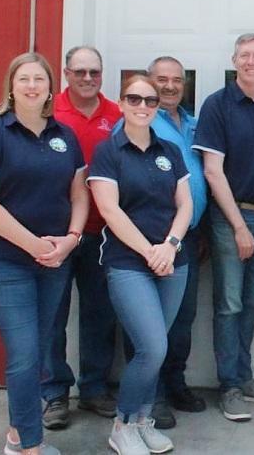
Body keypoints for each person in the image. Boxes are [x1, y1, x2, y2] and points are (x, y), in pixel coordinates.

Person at [0, 52, 88, 455]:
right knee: (25, 353)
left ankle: (18, 435)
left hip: (53, 261)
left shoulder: (64, 136)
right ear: (11, 88)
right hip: (2, 263)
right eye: (24, 79)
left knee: (38, 348)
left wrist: (70, 239)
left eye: (39, 79)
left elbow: (79, 192)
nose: (32, 86)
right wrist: (34, 245)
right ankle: (29, 446)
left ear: (52, 88)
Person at [88, 74, 192, 455]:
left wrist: (170, 245)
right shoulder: (108, 152)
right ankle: (122, 424)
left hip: (173, 262)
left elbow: (185, 204)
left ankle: (142, 420)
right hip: (127, 262)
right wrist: (150, 251)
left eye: (150, 100)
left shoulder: (170, 150)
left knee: (157, 347)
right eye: (135, 99)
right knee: (151, 346)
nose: (143, 106)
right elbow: (110, 211)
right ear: (121, 103)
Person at [192, 33, 254, 421]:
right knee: (229, 304)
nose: (251, 61)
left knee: (253, 302)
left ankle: (245, 377)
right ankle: (229, 387)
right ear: (234, 60)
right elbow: (213, 173)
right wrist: (238, 226)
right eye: (244, 55)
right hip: (231, 218)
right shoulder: (217, 105)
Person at [115, 56, 208, 429]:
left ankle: (174, 384)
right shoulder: (132, 130)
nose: (169, 86)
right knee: (147, 327)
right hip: (144, 243)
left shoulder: (192, 124)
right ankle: (148, 401)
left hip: (187, 237)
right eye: (161, 81)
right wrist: (157, 244)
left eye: (176, 81)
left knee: (181, 320)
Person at [42, 46, 122, 429]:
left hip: (102, 235)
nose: (88, 79)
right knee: (52, 317)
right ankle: (55, 394)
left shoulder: (117, 114)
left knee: (100, 316)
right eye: (80, 72)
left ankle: (94, 389)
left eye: (94, 72)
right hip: (53, 234)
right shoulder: (47, 110)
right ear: (66, 73)